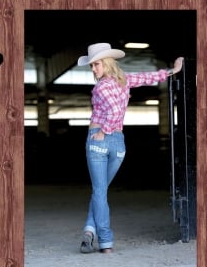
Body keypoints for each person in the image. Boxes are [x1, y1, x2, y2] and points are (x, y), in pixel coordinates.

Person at [77, 43, 184, 254]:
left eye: (96, 64)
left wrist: (103, 130)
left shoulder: (102, 86)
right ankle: (89, 231)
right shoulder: (124, 79)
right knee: (101, 191)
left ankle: (106, 241)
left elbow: (114, 110)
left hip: (99, 139)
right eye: (92, 66)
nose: (94, 69)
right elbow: (147, 78)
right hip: (118, 144)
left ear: (107, 63)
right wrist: (173, 71)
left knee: (99, 191)